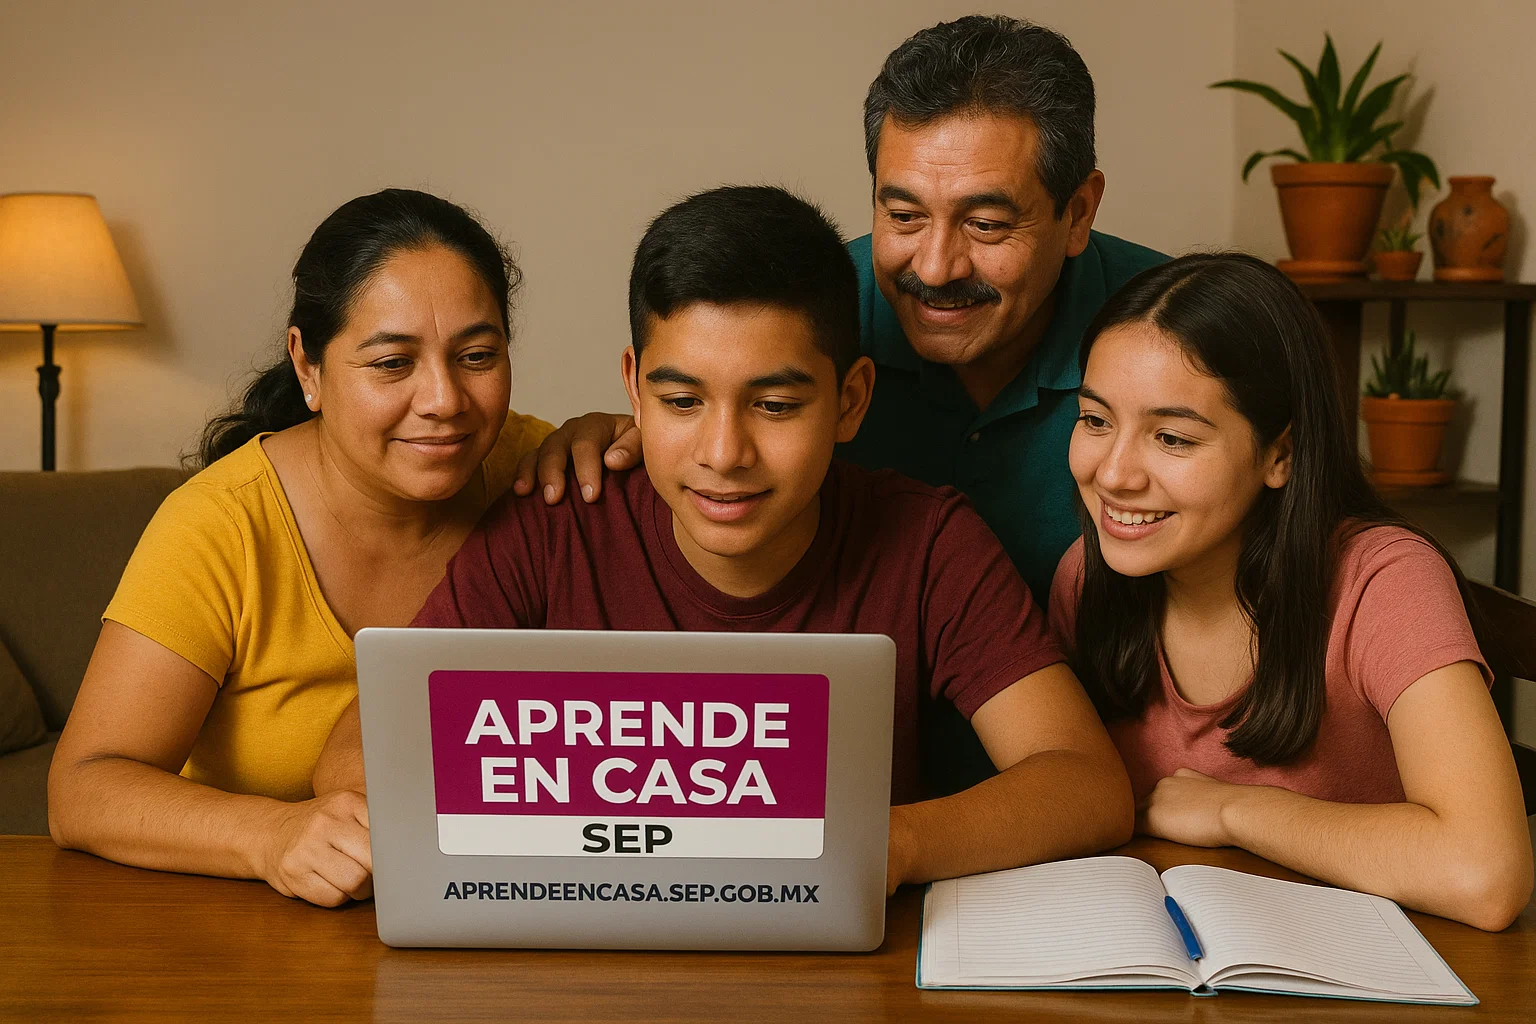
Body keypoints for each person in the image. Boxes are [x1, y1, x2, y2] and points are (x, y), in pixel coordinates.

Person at [318, 185, 1134, 892]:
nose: (723, 454)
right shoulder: (557, 521)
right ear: (633, 388)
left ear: (851, 401)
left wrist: (891, 845)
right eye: (681, 403)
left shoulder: (929, 542)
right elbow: (354, 761)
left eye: (775, 407)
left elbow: (1085, 784)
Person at [516, 16, 1166, 790]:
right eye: (902, 215)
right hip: (848, 801)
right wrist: (622, 434)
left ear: (1079, 213)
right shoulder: (809, 316)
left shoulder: (1177, 333)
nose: (934, 264)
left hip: (1117, 793)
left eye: (987, 223)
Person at [48, 189, 553, 907]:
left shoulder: (539, 473)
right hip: (235, 933)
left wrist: (617, 440)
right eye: (391, 364)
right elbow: (81, 787)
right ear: (309, 368)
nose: (445, 399)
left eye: (477, 355)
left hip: (478, 916)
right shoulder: (219, 526)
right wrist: (271, 835)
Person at [1048, 252, 1533, 931]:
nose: (1114, 473)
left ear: (1282, 454)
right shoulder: (1085, 578)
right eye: (1095, 420)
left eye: (1171, 437)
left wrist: (1230, 809)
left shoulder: (1385, 580)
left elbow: (1486, 876)